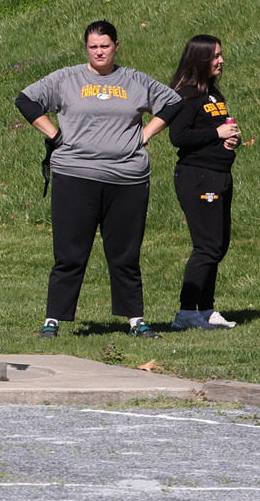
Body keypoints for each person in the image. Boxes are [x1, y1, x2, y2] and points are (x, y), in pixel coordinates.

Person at [20, 21, 183, 340]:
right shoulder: (67, 78)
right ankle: (53, 320)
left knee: (125, 253)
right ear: (86, 48)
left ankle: (136, 320)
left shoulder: (135, 80)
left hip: (127, 178)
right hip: (74, 176)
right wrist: (54, 134)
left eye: (105, 46)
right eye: (93, 47)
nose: (99, 52)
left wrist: (146, 134)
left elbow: (174, 103)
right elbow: (26, 100)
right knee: (69, 253)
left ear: (116, 46)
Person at [165, 35, 241, 331]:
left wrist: (231, 140)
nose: (221, 60)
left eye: (221, 55)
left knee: (219, 246)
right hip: (197, 176)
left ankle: (206, 310)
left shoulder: (213, 95)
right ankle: (186, 312)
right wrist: (218, 135)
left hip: (220, 174)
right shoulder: (185, 96)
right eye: (215, 57)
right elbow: (178, 137)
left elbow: (216, 131)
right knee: (207, 246)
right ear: (199, 60)